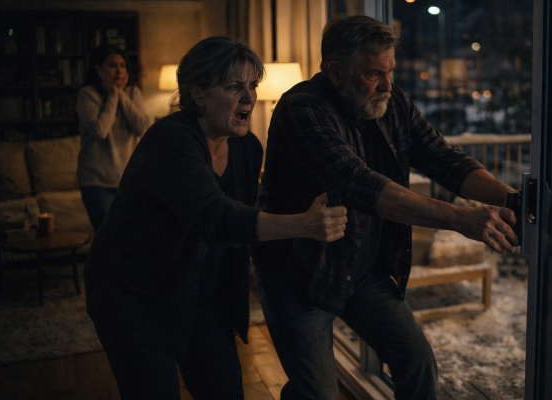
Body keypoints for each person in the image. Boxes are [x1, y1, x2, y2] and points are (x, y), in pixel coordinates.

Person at [254, 15, 519, 399]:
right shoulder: (301, 109)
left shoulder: (393, 103)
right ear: (336, 72)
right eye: (373, 74)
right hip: (300, 273)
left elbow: (445, 159)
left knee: (418, 363)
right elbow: (362, 185)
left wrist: (510, 199)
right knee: (317, 394)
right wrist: (461, 219)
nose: (387, 85)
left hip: (361, 270)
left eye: (390, 71)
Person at [84, 37, 348, 400]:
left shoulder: (247, 147)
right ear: (198, 94)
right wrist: (302, 225)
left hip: (201, 298)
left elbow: (243, 226)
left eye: (252, 85)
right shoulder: (171, 140)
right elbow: (215, 217)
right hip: (135, 298)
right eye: (234, 86)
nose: (249, 97)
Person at [76, 44, 151, 232]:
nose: (119, 70)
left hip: (129, 182)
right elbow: (99, 130)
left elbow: (143, 128)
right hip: (96, 182)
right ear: (98, 69)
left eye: (122, 65)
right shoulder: (87, 94)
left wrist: (121, 95)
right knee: (109, 238)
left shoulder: (133, 93)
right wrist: (113, 96)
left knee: (133, 237)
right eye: (112, 65)